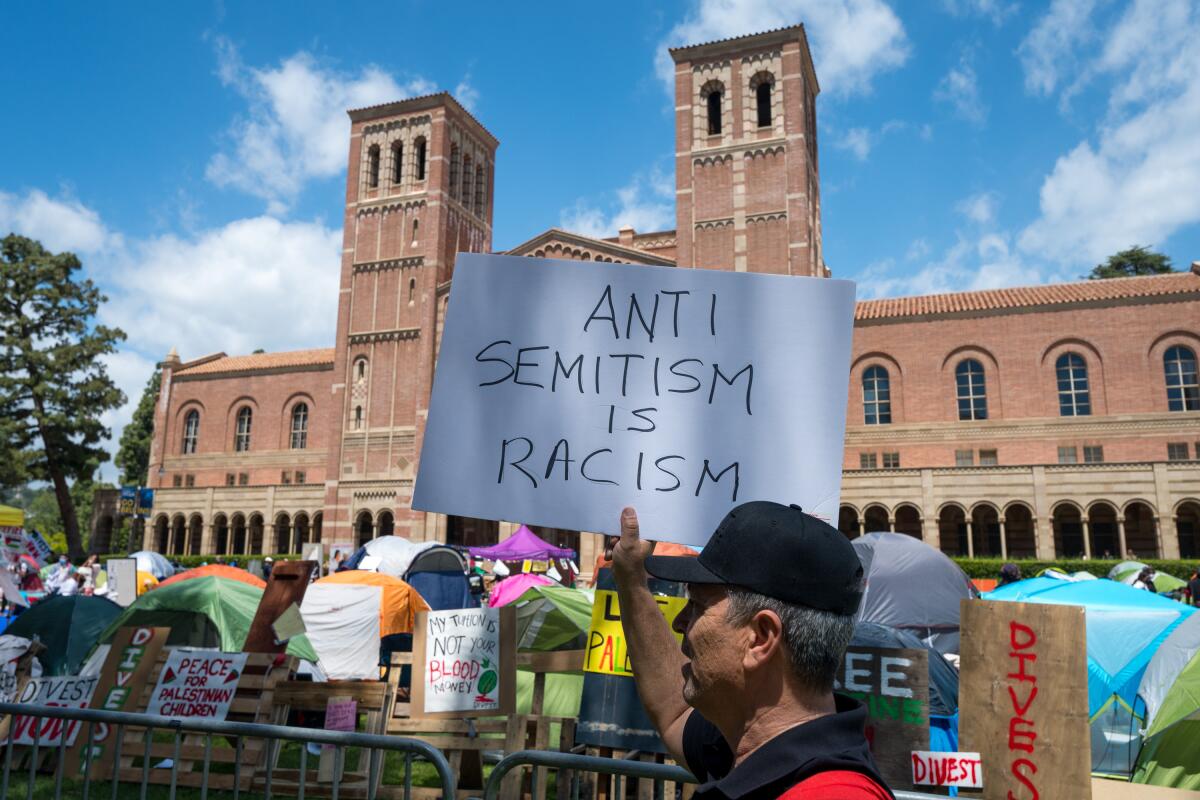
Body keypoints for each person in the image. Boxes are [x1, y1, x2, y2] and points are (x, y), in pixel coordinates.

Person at [612, 502, 892, 799]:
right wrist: (631, 580)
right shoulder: (749, 748)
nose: (680, 622)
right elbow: (674, 713)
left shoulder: (829, 794)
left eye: (697, 605)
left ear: (760, 637)